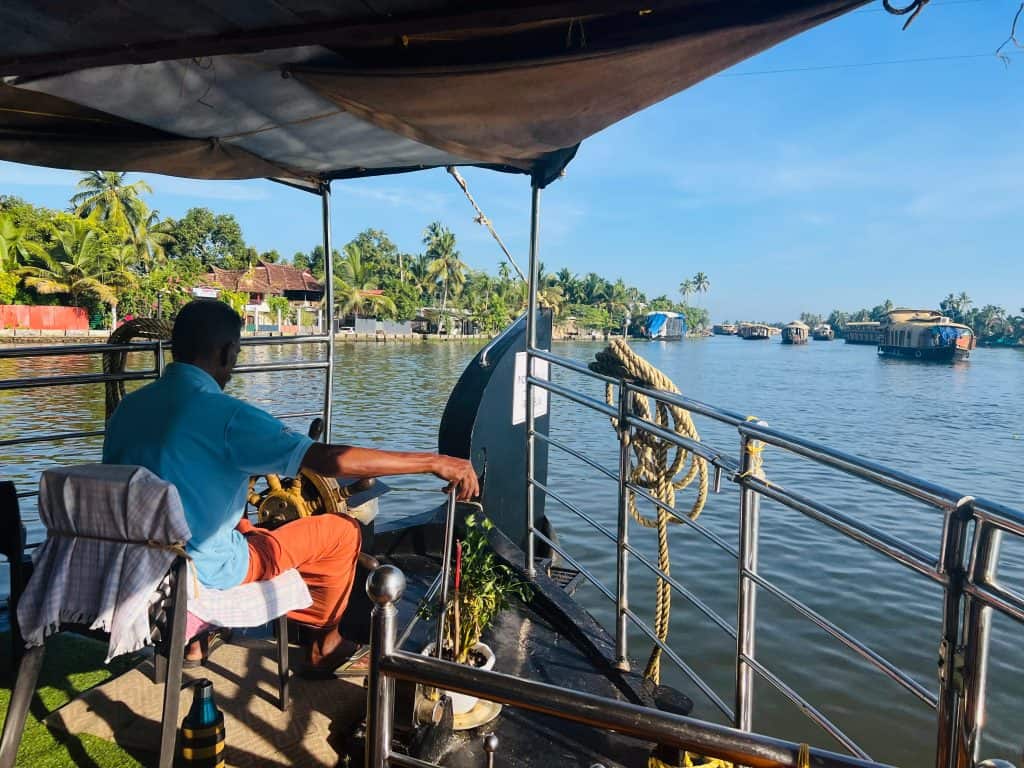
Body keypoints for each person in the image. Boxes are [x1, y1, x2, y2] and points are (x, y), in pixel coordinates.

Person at [103, 300, 478, 675]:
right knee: (341, 533)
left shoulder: (128, 409)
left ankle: (194, 645)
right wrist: (433, 461)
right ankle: (323, 647)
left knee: (244, 527)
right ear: (226, 351)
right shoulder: (227, 416)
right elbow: (327, 459)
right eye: (235, 352)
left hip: (137, 565)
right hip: (204, 573)